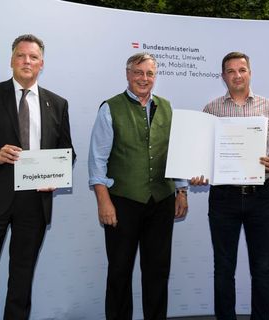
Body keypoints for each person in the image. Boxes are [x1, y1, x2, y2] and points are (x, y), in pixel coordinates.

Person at [0, 34, 75, 319]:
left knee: (22, 279)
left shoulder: (57, 104)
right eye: (21, 55)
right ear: (11, 60)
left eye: (33, 57)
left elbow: (68, 153)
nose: (26, 61)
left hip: (34, 203)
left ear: (41, 63)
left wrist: (55, 177)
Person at [88, 52, 188, 320]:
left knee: (157, 271)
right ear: (128, 74)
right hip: (122, 201)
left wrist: (181, 190)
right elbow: (97, 159)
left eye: (150, 73)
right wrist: (103, 200)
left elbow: (175, 153)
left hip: (162, 200)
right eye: (138, 72)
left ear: (155, 77)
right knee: (120, 270)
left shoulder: (167, 107)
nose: (144, 78)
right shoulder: (110, 107)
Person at [192, 52, 269, 320]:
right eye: (231, 71)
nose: (237, 75)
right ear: (223, 76)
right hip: (223, 198)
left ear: (250, 72)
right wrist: (198, 171)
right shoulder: (211, 110)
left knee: (262, 268)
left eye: (242, 70)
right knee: (223, 268)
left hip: (261, 197)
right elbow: (201, 152)